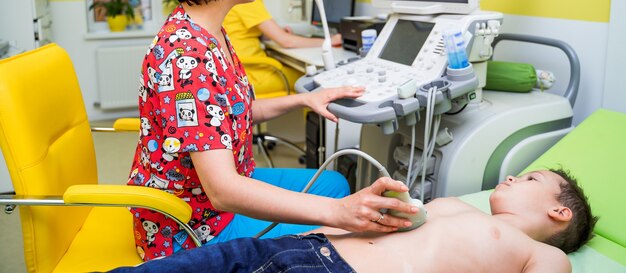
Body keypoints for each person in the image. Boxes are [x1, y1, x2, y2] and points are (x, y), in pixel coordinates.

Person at [128, 0, 418, 262]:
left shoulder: (211, 33)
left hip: (219, 193)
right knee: (343, 230)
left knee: (335, 185)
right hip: (195, 225)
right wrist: (338, 215)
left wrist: (304, 100)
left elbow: (238, 110)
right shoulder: (185, 58)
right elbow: (222, 191)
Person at [108, 168, 597, 273]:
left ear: (559, 211)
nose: (511, 175)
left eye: (530, 178)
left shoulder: (545, 255)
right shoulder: (459, 206)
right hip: (297, 246)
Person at [223, 0, 342, 95]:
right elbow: (286, 42)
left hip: (240, 72)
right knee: (314, 79)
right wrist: (330, 40)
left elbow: (243, 31)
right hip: (254, 76)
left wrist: (274, 34)